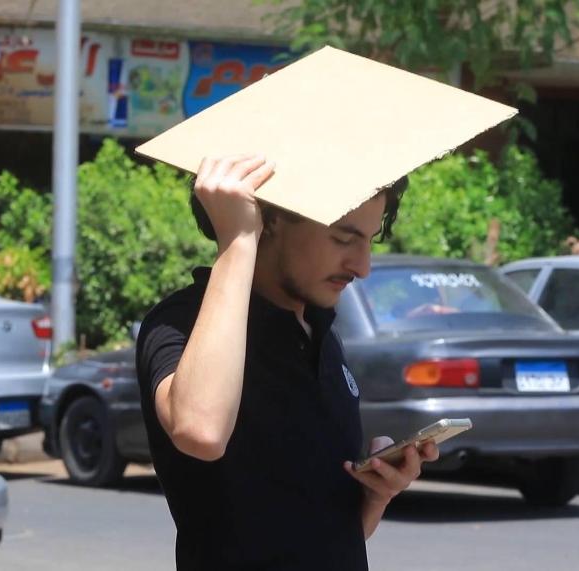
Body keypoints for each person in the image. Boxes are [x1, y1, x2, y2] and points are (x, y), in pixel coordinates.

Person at [136, 155, 440, 571]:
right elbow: (201, 432)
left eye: (371, 240)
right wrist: (238, 240)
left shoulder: (321, 332)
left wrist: (375, 496)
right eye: (343, 238)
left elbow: (320, 537)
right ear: (272, 218)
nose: (363, 266)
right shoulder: (183, 322)